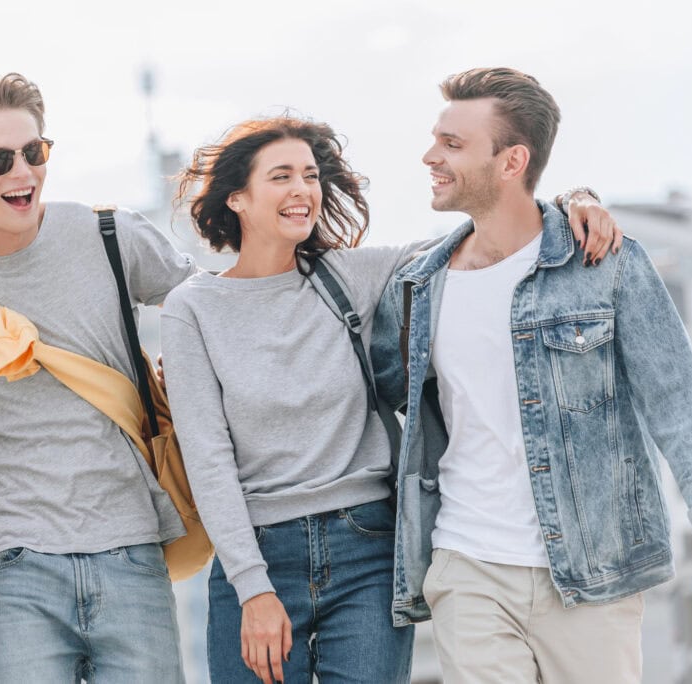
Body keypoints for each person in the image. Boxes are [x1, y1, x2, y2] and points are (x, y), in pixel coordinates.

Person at [159, 115, 619, 684]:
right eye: (281, 176)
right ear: (238, 199)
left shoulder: (349, 276)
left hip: (368, 551)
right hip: (257, 556)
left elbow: (488, 236)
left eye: (309, 175)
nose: (302, 189)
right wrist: (252, 588)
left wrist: (574, 199)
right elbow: (208, 460)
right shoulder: (193, 309)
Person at [371, 67, 692, 683]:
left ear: (512, 161)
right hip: (467, 565)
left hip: (594, 572)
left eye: (452, 145)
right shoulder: (420, 285)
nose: (430, 156)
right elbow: (372, 391)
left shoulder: (604, 262)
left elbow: (680, 404)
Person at [0, 73, 194, 683]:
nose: (22, 172)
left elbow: (215, 310)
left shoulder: (112, 236)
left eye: (34, 152)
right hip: (13, 562)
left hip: (132, 547)